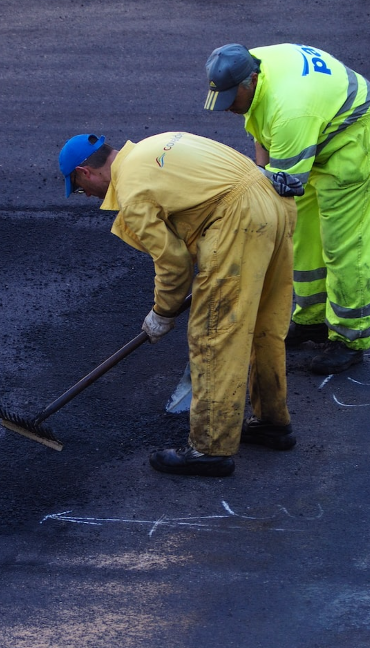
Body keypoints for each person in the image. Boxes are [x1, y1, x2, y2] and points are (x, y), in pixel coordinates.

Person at [58, 131, 299, 477]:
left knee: (214, 334)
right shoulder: (152, 146)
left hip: (238, 221)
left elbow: (173, 263)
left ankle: (210, 449)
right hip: (272, 205)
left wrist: (162, 312)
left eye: (82, 189)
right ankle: (273, 423)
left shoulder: (132, 189)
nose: (90, 196)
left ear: (85, 172)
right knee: (264, 326)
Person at [204, 43, 370, 374]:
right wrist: (259, 179)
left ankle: (350, 339)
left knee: (346, 243)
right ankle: (311, 320)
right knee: (302, 235)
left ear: (251, 80)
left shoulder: (290, 108)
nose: (228, 108)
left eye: (231, 99)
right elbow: (262, 132)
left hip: (355, 137)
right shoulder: (247, 67)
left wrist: (253, 227)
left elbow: (285, 188)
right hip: (314, 134)